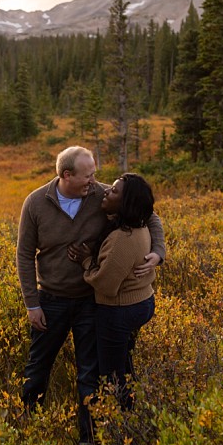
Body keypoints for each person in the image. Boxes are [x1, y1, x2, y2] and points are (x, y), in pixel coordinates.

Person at [16, 146, 164, 445]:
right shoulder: (35, 203)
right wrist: (32, 304)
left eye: (95, 174)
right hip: (51, 300)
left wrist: (158, 253)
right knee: (38, 367)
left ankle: (89, 440)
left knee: (89, 373)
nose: (95, 181)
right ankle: (29, 424)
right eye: (89, 175)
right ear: (66, 175)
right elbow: (24, 255)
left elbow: (148, 213)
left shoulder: (100, 193)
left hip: (90, 302)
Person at [68, 173, 157, 410]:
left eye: (115, 191)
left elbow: (105, 285)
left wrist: (86, 261)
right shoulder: (138, 227)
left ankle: (121, 426)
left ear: (126, 203)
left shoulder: (122, 238)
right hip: (141, 301)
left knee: (112, 376)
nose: (107, 191)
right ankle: (133, 411)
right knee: (125, 366)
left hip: (119, 310)